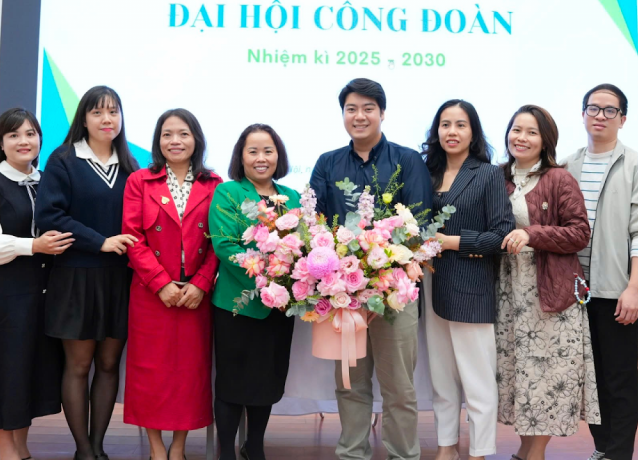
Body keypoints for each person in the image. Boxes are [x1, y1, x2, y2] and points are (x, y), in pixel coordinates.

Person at [308, 78, 433, 460]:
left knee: (399, 387)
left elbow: (420, 224)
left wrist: (383, 277)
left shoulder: (407, 160)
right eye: (351, 109)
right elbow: (314, 226)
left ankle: (403, 455)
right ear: (343, 114)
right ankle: (352, 453)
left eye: (367, 109)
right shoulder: (327, 163)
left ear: (382, 113)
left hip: (395, 293)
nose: (359, 116)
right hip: (344, 295)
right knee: (351, 383)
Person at [35, 87, 140, 460]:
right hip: (76, 276)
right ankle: (83, 450)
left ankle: (98, 446)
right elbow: (49, 217)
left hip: (120, 279)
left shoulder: (131, 166)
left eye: (113, 112)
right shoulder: (64, 159)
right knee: (79, 365)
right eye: (97, 112)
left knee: (109, 365)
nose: (107, 119)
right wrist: (100, 242)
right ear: (84, 118)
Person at [0, 108, 70, 460]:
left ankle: (21, 447)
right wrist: (33, 246)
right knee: (6, 370)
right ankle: (7, 450)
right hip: (11, 293)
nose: (24, 141)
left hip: (46, 294)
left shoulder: (46, 180)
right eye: (14, 135)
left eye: (30, 134)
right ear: (1, 143)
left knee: (28, 372)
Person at [495, 105, 600, 460]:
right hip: (508, 295)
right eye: (516, 129)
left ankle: (533, 454)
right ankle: (525, 453)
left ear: (545, 140)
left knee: (547, 379)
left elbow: (579, 232)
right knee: (521, 377)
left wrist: (532, 234)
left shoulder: (558, 178)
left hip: (550, 295)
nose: (521, 138)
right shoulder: (498, 177)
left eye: (531, 132)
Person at [566, 85, 638, 460]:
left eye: (610, 110)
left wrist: (635, 287)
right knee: (591, 379)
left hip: (616, 291)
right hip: (573, 293)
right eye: (594, 108)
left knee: (618, 377)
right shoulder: (567, 166)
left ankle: (618, 453)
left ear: (622, 119)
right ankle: (602, 448)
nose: (600, 116)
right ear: (583, 114)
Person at [122, 108, 221, 460]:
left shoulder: (214, 184)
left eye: (183, 134)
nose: (175, 141)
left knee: (189, 375)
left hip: (195, 296)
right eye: (167, 134)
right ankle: (156, 448)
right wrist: (160, 283)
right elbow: (133, 238)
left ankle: (178, 448)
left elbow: (220, 242)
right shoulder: (139, 181)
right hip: (151, 295)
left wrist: (202, 283)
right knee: (149, 374)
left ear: (196, 139)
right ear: (158, 141)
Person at [421, 100, 515, 460]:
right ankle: (446, 446)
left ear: (472, 132)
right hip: (429, 284)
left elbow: (501, 235)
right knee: (441, 375)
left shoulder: (488, 174)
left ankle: (479, 451)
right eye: (445, 124)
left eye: (460, 124)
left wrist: (452, 242)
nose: (452, 132)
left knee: (477, 378)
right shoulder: (426, 173)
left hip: (470, 285)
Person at [208, 124, 300, 460]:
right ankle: (226, 453)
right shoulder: (228, 193)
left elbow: (303, 246)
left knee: (267, 380)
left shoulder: (292, 197)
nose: (261, 158)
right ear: (241, 157)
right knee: (232, 383)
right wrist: (267, 276)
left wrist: (288, 283)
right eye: (253, 151)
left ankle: (255, 447)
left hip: (279, 307)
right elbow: (225, 246)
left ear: (278, 155)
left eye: (268, 151)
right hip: (237, 304)